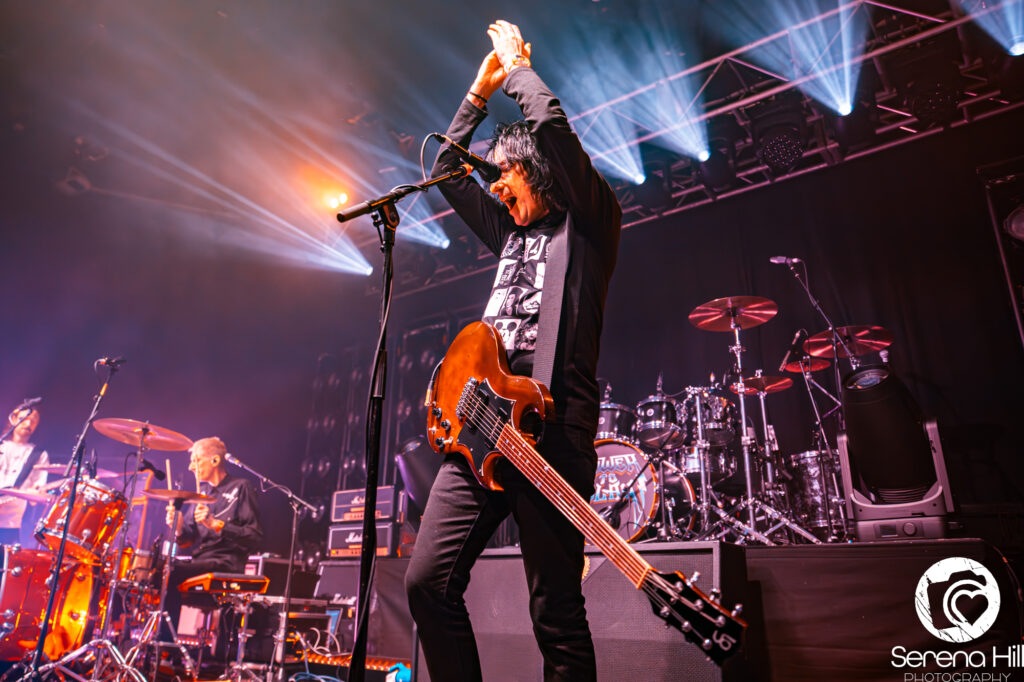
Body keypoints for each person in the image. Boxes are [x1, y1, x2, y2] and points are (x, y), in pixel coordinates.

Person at [405, 20, 622, 682]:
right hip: (478, 428)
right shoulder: (507, 230)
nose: (497, 192)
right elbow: (443, 168)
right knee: (426, 584)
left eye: (507, 180)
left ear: (537, 172)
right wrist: (477, 94)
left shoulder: (589, 221)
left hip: (550, 434)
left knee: (555, 613)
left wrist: (519, 69)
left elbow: (553, 128)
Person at [163, 436, 263, 634]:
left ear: (215, 461)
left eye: (196, 460)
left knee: (170, 572)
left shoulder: (241, 487)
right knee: (157, 569)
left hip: (226, 562)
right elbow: (188, 540)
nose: (191, 467)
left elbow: (254, 536)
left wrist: (217, 525)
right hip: (200, 561)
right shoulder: (201, 494)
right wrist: (179, 528)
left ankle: (166, 645)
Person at [0, 403, 49, 546]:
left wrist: (37, 492)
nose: (28, 424)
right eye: (24, 419)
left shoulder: (38, 455)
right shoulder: (2, 445)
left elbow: (38, 494)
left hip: (10, 523)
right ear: (13, 419)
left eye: (33, 422)